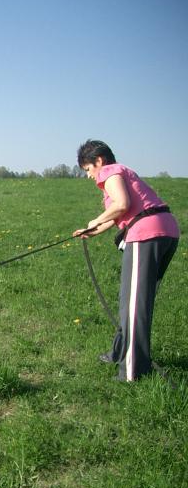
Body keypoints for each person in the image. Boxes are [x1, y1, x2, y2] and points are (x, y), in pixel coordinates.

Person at [72, 139, 180, 381]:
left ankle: (132, 371)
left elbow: (122, 204)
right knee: (133, 301)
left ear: (99, 161)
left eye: (88, 169)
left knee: (134, 305)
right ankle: (119, 352)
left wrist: (95, 220)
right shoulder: (124, 173)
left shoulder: (110, 172)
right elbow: (119, 214)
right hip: (166, 232)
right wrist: (92, 231)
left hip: (146, 234)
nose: (89, 176)